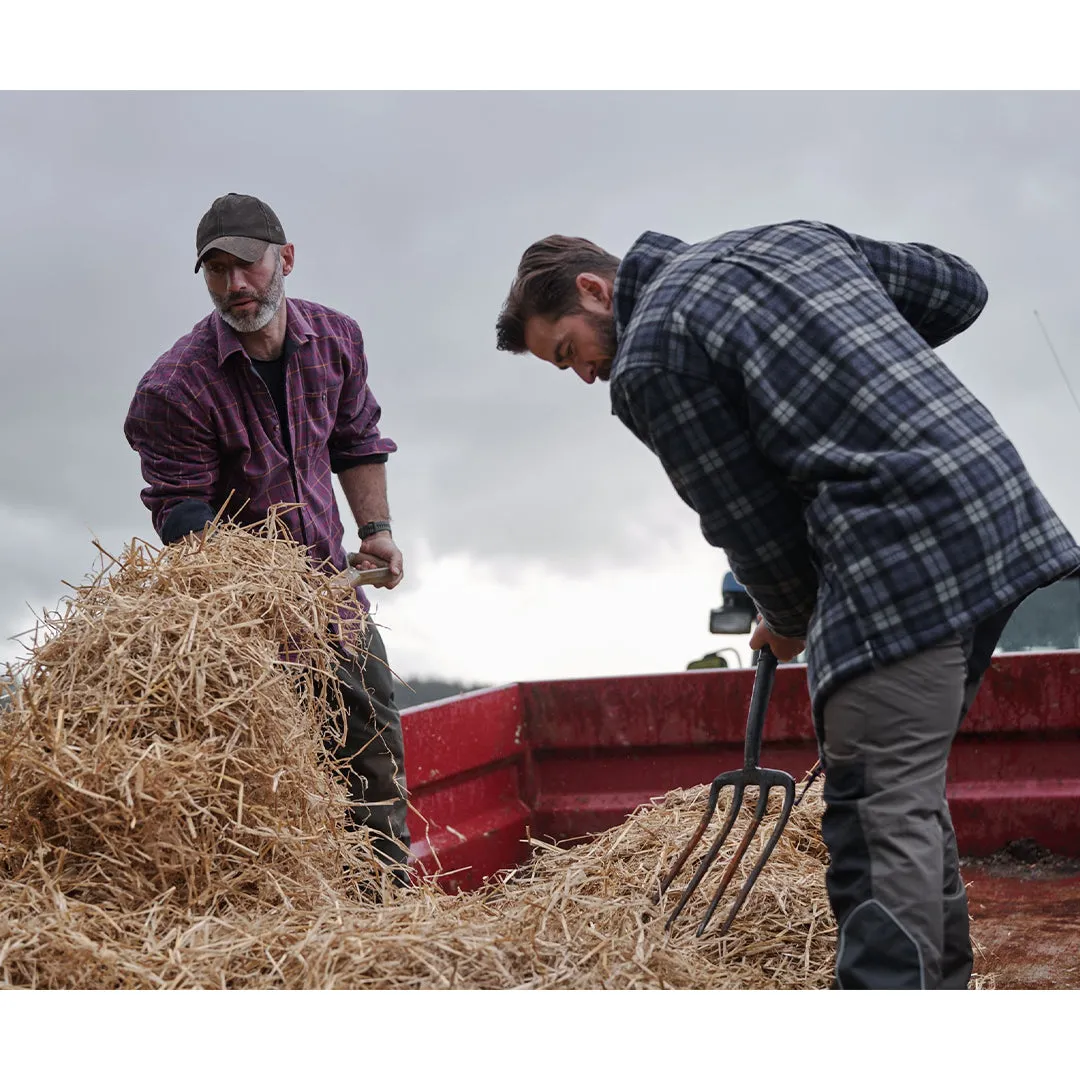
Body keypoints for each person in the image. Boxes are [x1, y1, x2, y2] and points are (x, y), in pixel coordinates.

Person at [495, 220, 1080, 989]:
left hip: (900, 547)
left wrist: (788, 617)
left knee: (872, 809)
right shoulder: (790, 241)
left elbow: (751, 526)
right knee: (902, 784)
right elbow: (958, 288)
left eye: (569, 350)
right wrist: (851, 351)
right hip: (995, 510)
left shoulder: (651, 359)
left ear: (595, 290)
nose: (584, 374)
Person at [125, 192, 410, 881]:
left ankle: (387, 930)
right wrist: (266, 589)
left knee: (376, 775)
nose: (235, 286)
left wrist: (375, 531)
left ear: (284, 258)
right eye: (217, 271)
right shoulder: (175, 387)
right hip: (239, 640)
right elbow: (180, 514)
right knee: (270, 805)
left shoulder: (336, 340)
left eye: (246, 265)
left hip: (336, 610)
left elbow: (356, 439)